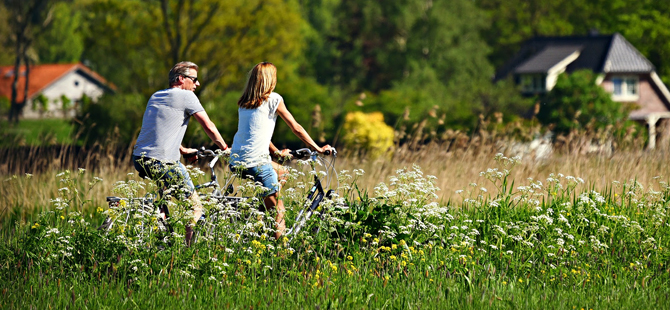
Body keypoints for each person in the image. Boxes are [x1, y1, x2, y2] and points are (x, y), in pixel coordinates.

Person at [230, 62, 332, 240]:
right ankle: (281, 255)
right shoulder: (274, 99)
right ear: (270, 80)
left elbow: (256, 133)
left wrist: (276, 152)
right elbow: (296, 127)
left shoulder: (244, 103)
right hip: (257, 162)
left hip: (237, 159)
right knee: (279, 210)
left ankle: (260, 214)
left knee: (282, 171)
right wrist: (318, 148)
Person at [132, 61, 228, 246]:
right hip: (162, 161)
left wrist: (183, 150)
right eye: (194, 79)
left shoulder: (156, 96)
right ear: (181, 79)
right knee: (195, 207)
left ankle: (161, 240)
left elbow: (160, 130)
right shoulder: (186, 96)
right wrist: (225, 148)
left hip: (140, 158)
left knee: (163, 198)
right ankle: (187, 253)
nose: (197, 84)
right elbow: (208, 126)